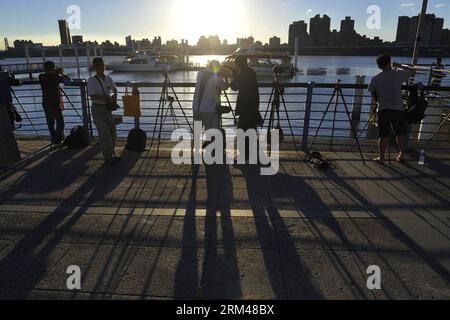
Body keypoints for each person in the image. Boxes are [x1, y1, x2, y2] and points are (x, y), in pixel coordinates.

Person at [369, 54, 412, 164]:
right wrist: (400, 65)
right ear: (389, 63)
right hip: (398, 109)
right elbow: (410, 71)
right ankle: (401, 154)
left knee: (383, 135)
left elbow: (372, 93)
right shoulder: (398, 74)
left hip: (383, 109)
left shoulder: (375, 79)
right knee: (400, 133)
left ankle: (382, 158)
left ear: (379, 66)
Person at [87, 57, 120, 166]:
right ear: (94, 67)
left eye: (101, 65)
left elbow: (114, 89)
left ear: (103, 65)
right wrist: (106, 97)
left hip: (107, 108)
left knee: (112, 132)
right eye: (97, 65)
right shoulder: (91, 80)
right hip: (98, 109)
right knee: (104, 134)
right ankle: (108, 157)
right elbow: (92, 95)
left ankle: (111, 154)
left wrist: (114, 96)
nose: (100, 67)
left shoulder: (108, 78)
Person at [230, 55, 260, 163]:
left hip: (245, 107)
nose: (235, 65)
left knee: (242, 132)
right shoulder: (251, 72)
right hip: (253, 105)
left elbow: (234, 87)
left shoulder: (243, 73)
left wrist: (234, 75)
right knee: (251, 131)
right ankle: (251, 155)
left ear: (239, 63)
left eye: (236, 63)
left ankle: (244, 157)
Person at [192, 60, 227, 148]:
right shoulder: (218, 77)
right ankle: (210, 147)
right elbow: (225, 87)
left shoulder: (199, 73)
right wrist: (225, 76)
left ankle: (196, 148)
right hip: (208, 108)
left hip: (196, 107)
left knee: (197, 129)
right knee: (211, 128)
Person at [38, 61, 70, 146]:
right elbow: (67, 80)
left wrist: (56, 72)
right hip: (55, 102)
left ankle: (54, 139)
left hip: (45, 102)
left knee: (50, 123)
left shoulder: (41, 76)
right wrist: (61, 73)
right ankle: (58, 140)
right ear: (53, 68)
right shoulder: (56, 77)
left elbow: (48, 76)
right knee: (60, 122)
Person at [0, 69, 22, 167]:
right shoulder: (4, 75)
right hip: (5, 103)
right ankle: (10, 142)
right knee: (9, 123)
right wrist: (11, 77)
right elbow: (17, 83)